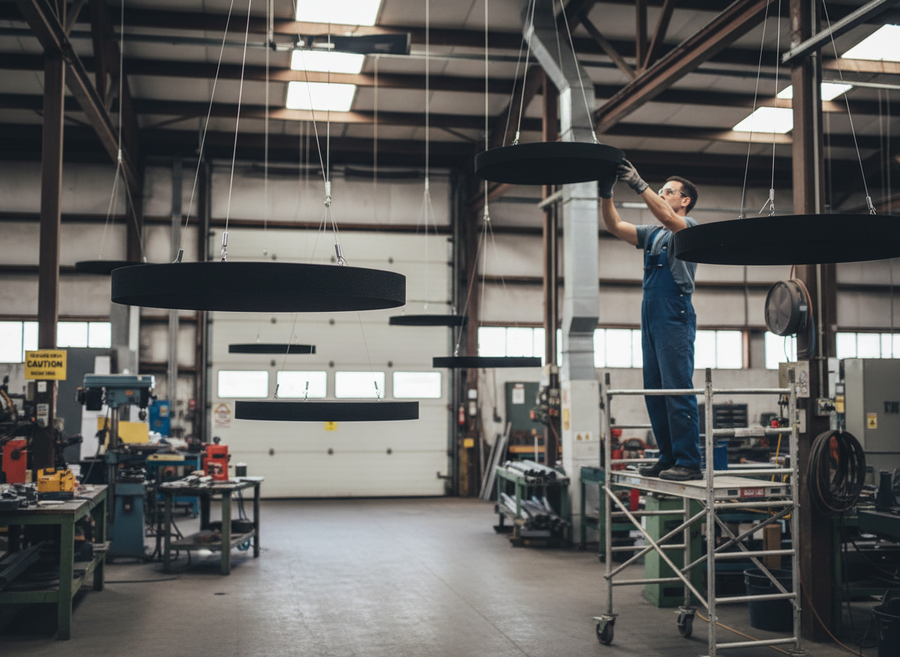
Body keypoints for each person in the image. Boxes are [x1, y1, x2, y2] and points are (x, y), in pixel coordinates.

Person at [599, 159, 702, 482]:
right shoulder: (653, 233)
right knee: (655, 390)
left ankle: (689, 461)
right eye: (661, 190)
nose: (662, 194)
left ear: (684, 200)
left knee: (677, 387)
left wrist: (638, 183)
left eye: (669, 191)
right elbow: (614, 226)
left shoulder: (687, 227)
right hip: (650, 313)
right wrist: (606, 194)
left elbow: (668, 217)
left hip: (674, 312)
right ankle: (668, 456)